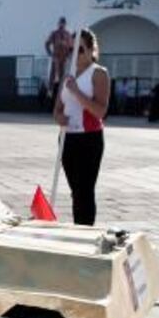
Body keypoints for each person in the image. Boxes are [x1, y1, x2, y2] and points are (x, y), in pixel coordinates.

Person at [53, 28, 110, 226]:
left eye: (80, 49)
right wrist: (59, 117)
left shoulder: (99, 74)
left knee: (85, 190)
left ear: (91, 50)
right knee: (75, 191)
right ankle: (79, 227)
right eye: (71, 50)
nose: (75, 54)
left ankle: (85, 229)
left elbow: (100, 111)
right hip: (67, 138)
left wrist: (76, 91)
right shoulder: (68, 75)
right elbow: (57, 110)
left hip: (89, 139)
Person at [45, 17, 73, 91]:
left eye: (63, 23)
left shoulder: (68, 34)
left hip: (64, 58)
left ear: (65, 24)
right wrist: (50, 53)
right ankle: (50, 91)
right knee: (53, 74)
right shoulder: (54, 33)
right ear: (58, 23)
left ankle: (62, 90)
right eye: (60, 23)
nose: (62, 25)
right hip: (56, 57)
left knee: (63, 75)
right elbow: (47, 43)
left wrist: (69, 55)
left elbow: (71, 46)